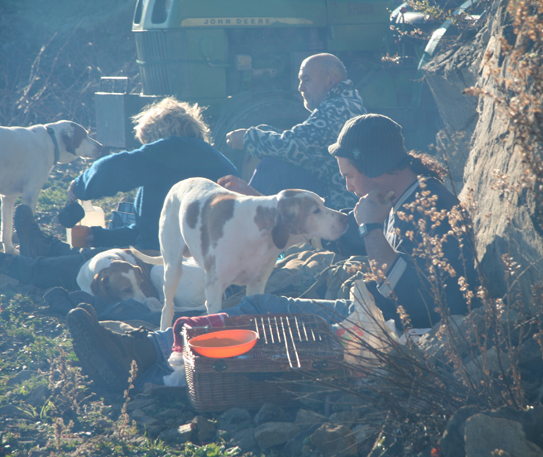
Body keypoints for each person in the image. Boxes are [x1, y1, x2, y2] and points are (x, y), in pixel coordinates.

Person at [66, 113, 479, 391]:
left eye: (351, 176)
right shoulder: (405, 195)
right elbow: (349, 243)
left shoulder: (427, 205)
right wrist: (262, 201)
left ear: (374, 163)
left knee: (262, 309)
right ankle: (146, 344)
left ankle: (140, 356)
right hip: (375, 307)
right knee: (261, 307)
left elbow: (415, 295)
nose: (350, 187)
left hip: (391, 320)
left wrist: (370, 223)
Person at [0, 97, 240, 290]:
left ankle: (15, 267)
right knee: (90, 253)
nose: (146, 148)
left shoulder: (175, 149)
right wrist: (101, 237)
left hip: (182, 259)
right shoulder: (204, 158)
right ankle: (45, 247)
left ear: (159, 135)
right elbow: (149, 229)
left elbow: (118, 168)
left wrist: (81, 184)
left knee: (93, 265)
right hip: (193, 251)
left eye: (147, 143)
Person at [224, 53, 365, 210]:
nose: (300, 88)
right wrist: (258, 132)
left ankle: (249, 221)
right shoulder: (346, 103)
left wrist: (248, 138)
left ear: (330, 81)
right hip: (338, 194)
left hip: (340, 205)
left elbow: (292, 146)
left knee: (272, 167)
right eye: (300, 81)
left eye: (307, 80)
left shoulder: (337, 108)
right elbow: (297, 140)